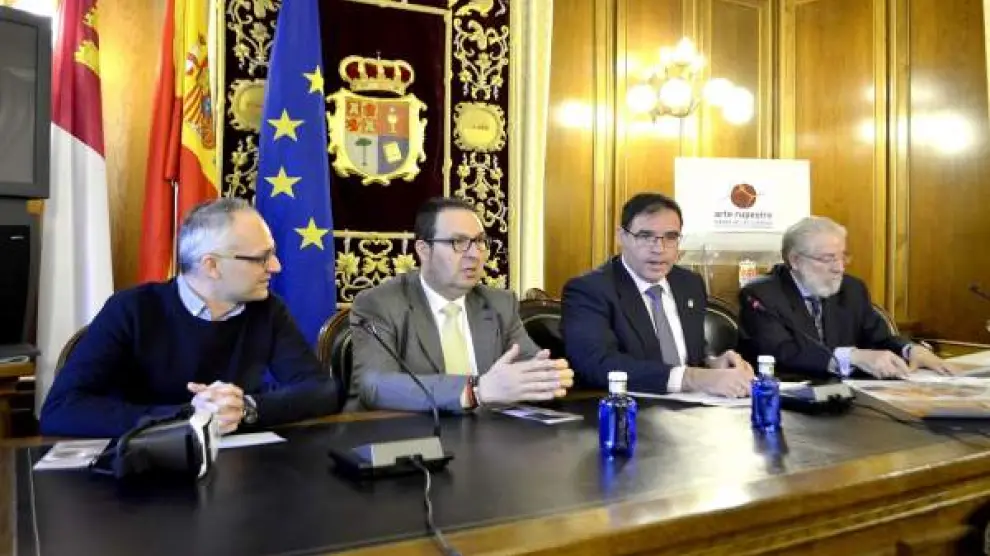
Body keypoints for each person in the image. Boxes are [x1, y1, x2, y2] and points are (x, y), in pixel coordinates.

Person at [40, 198, 340, 437]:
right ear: (211, 266)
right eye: (261, 258)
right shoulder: (131, 310)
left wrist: (246, 408)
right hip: (141, 469)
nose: (275, 266)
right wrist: (189, 416)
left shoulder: (268, 310)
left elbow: (320, 390)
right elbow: (61, 410)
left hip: (239, 469)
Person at [350, 197, 573, 412]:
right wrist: (474, 392)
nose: (475, 254)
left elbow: (531, 368)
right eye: (458, 242)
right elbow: (374, 384)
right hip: (407, 432)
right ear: (424, 250)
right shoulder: (380, 303)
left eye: (479, 241)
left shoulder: (499, 304)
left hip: (487, 432)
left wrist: (548, 377)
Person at [562, 193, 754, 397]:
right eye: (646, 236)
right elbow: (597, 364)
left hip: (695, 408)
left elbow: (691, 354)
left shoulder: (689, 283)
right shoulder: (589, 290)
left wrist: (713, 364)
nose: (659, 249)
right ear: (622, 237)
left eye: (671, 237)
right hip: (631, 408)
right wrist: (694, 378)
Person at [738, 215, 954, 378]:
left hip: (847, 398)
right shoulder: (761, 294)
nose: (839, 268)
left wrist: (910, 350)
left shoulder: (852, 289)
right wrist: (851, 356)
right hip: (789, 402)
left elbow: (879, 339)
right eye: (828, 258)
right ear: (795, 260)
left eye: (842, 257)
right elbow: (781, 353)